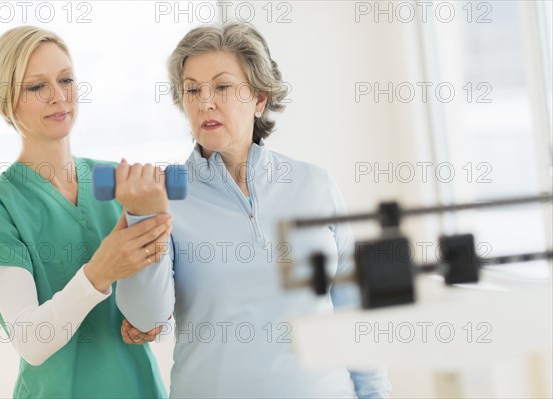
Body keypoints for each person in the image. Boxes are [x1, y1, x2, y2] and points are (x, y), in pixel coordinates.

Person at [117, 22, 391, 398]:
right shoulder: (163, 195)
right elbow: (145, 318)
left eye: (222, 86)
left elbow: (353, 310)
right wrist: (143, 216)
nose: (204, 102)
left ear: (259, 98)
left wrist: (376, 394)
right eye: (192, 90)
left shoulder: (314, 184)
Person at [0, 26, 172, 398]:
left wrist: (156, 321)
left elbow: (155, 297)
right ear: (7, 101)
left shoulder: (119, 183)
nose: (59, 96)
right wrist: (100, 272)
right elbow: (31, 341)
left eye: (66, 80)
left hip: (137, 388)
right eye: (37, 87)